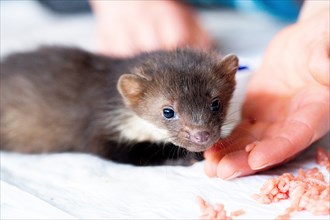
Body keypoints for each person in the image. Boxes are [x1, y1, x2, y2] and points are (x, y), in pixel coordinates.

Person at [41, 0, 329, 179]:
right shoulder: (115, 109)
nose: (202, 131)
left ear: (230, 78)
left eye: (214, 106)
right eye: (169, 113)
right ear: (133, 94)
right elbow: (108, 146)